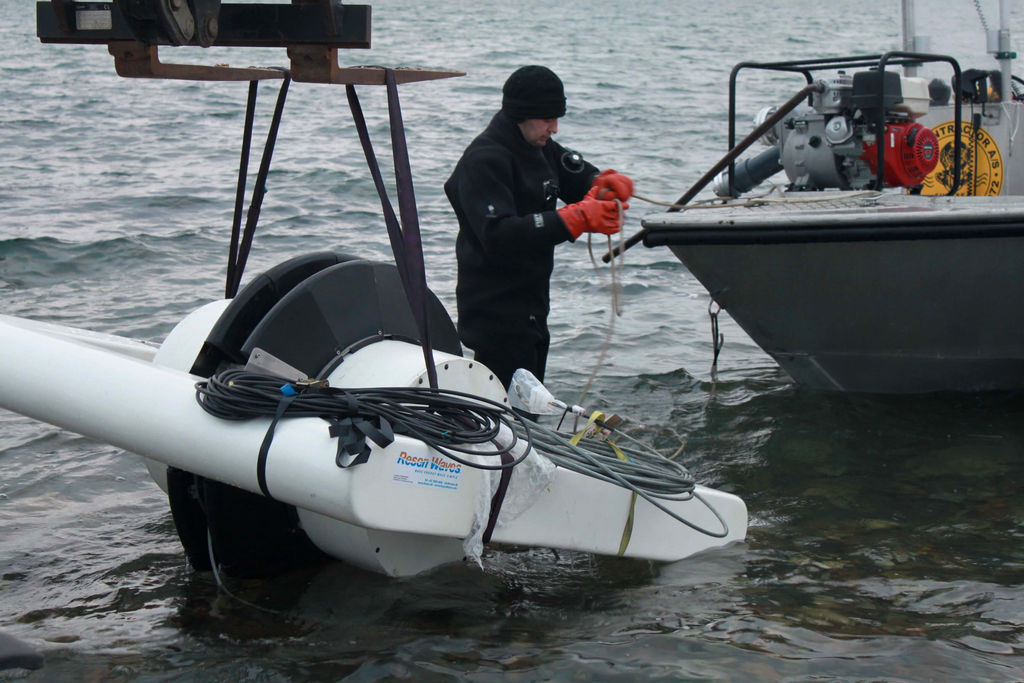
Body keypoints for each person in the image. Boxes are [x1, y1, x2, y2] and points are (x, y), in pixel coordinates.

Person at [445, 65, 634, 389]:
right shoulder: (484, 159)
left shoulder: (540, 146)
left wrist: (601, 183)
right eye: (548, 119)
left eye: (557, 117)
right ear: (523, 114)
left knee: (531, 404)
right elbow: (498, 234)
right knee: (506, 413)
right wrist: (574, 219)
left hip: (532, 307)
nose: (555, 128)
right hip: (495, 316)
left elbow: (576, 178)